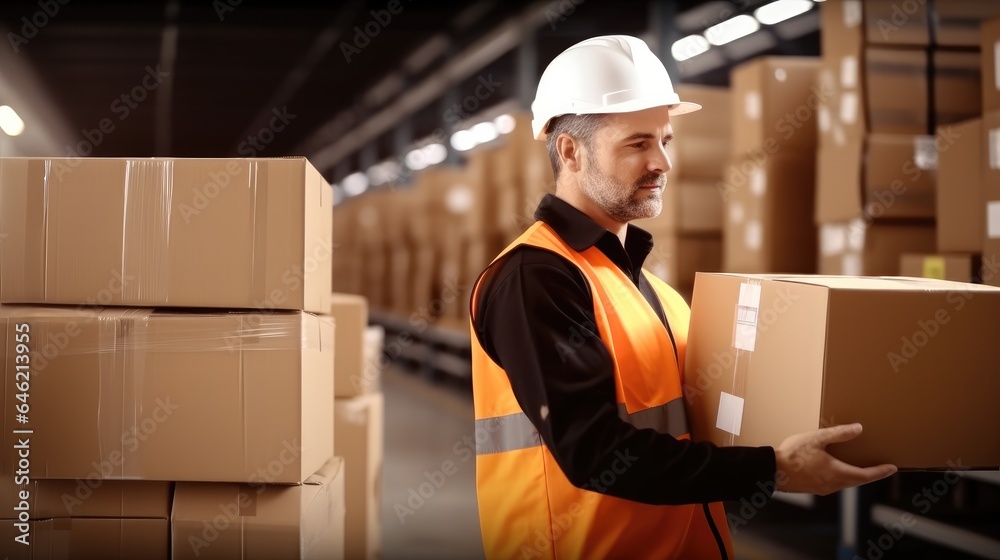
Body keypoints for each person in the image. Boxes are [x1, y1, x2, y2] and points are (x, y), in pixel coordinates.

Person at [468, 35, 897, 560]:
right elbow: (595, 451)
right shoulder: (535, 277)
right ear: (570, 151)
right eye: (637, 143)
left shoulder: (649, 289)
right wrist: (774, 468)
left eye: (665, 140)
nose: (663, 162)